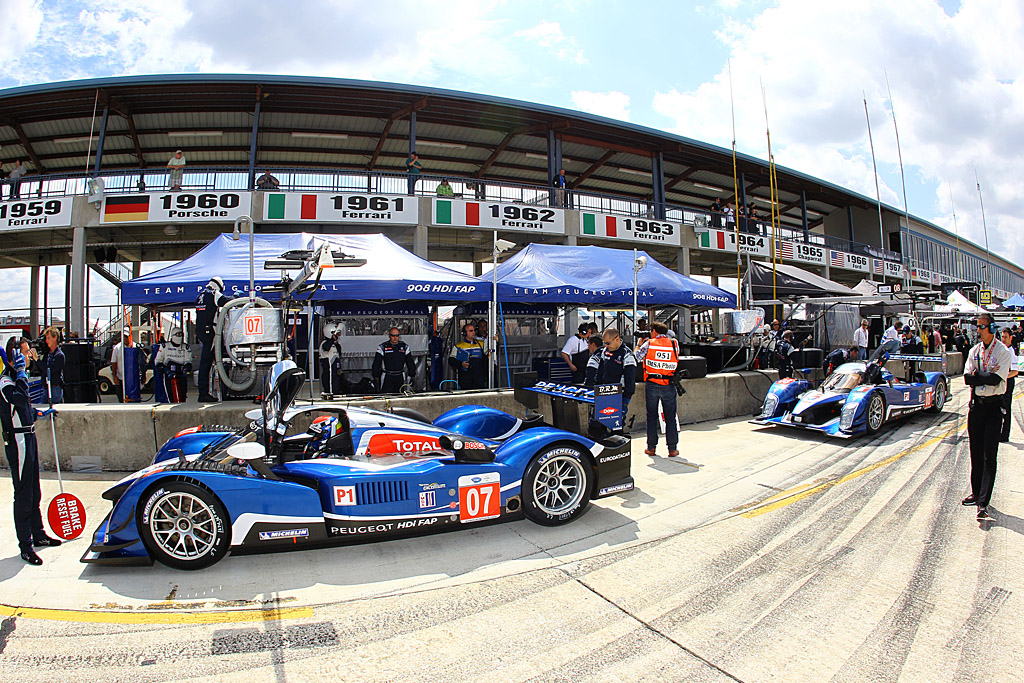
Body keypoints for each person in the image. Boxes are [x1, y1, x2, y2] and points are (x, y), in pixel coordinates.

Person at [2, 346, 62, 566]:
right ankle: (25, 546)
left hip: (29, 436)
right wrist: (21, 374)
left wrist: (38, 413)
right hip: (18, 441)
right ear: (15, 356)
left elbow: (24, 406)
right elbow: (17, 398)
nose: (29, 356)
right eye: (26, 353)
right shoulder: (6, 381)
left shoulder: (17, 378)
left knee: (35, 490)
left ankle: (39, 535)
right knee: (24, 494)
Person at [962, 313, 1013, 520]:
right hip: (977, 406)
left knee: (989, 454)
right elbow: (966, 377)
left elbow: (996, 379)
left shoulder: (1002, 351)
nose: (978, 330)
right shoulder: (974, 351)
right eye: (977, 327)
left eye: (982, 327)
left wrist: (979, 377)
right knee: (975, 451)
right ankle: (976, 492)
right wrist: (979, 378)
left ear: (992, 328)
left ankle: (984, 501)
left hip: (993, 407)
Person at [635, 322, 681, 457]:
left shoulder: (649, 343)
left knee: (652, 416)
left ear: (654, 331)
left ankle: (651, 448)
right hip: (668, 383)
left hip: (652, 383)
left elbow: (637, 357)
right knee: (670, 417)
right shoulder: (674, 343)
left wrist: (639, 344)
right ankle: (672, 449)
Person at [585, 327, 637, 415]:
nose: (606, 346)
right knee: (596, 424)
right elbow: (599, 373)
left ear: (617, 339)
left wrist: (625, 399)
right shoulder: (604, 351)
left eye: (608, 343)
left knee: (616, 425)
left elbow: (630, 379)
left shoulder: (627, 355)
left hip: (620, 395)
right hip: (603, 393)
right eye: (604, 343)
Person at [195, 276, 230, 401]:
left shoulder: (200, 296)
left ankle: (206, 392)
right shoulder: (213, 294)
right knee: (207, 363)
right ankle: (204, 393)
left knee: (206, 363)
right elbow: (225, 302)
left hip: (201, 332)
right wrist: (236, 298)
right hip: (211, 332)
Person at [373, 327, 417, 394]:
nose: (395, 337)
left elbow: (410, 362)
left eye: (397, 335)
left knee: (400, 395)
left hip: (400, 376)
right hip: (387, 376)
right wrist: (375, 376)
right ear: (389, 336)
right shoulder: (383, 346)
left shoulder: (404, 346)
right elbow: (377, 362)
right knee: (386, 396)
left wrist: (412, 374)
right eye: (393, 335)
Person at [154, 327, 192, 403]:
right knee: (171, 398)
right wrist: (166, 370)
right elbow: (157, 362)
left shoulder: (186, 347)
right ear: (172, 335)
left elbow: (189, 361)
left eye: (181, 334)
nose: (180, 336)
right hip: (170, 376)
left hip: (181, 375)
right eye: (178, 334)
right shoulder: (165, 346)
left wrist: (186, 369)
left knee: (182, 398)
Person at [448, 322, 489, 390]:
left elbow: (490, 354)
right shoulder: (459, 346)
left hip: (479, 378)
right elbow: (451, 360)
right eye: (471, 331)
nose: (473, 332)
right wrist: (461, 364)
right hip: (465, 378)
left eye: (474, 330)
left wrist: (496, 341)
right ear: (464, 333)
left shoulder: (482, 344)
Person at [1000, 327, 1018, 443]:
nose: (1004, 339)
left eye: (1006, 337)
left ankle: (1004, 435)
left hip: (1008, 381)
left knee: (1006, 408)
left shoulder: (1012, 352)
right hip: (1002, 382)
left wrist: (1003, 376)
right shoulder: (1003, 350)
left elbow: (1015, 371)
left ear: (1011, 338)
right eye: (1002, 337)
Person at [41, 326, 64, 404]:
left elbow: (49, 370)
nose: (47, 341)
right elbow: (41, 369)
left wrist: (37, 360)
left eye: (48, 338)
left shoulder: (59, 355)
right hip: (46, 388)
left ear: (55, 338)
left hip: (55, 389)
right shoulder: (47, 354)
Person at [319, 327, 343, 396]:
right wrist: (332, 339)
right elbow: (326, 348)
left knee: (336, 382)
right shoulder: (325, 343)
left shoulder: (335, 344)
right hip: (329, 370)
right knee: (330, 383)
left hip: (335, 369)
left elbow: (339, 352)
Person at [110, 327, 131, 402]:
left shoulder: (134, 346)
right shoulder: (117, 348)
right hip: (120, 378)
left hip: (132, 379)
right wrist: (115, 376)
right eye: (124, 337)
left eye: (127, 337)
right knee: (121, 399)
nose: (125, 338)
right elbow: (113, 363)